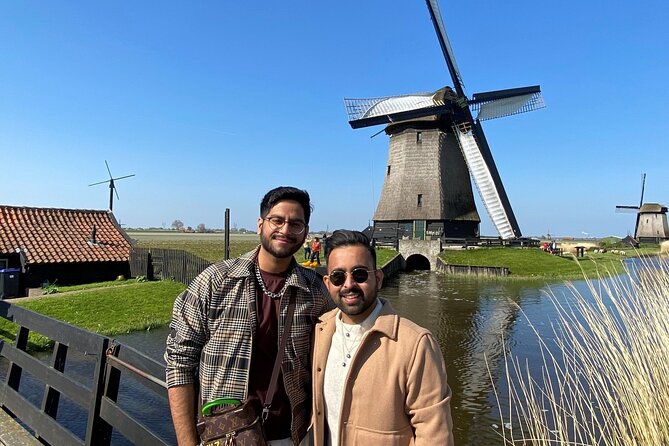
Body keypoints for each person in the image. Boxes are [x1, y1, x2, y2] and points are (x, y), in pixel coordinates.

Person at [165, 186, 335, 446]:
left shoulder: (316, 292)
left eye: (296, 224)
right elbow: (180, 363)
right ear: (260, 224)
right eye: (277, 220)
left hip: (288, 437)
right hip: (224, 435)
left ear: (305, 233)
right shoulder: (214, 282)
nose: (286, 230)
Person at [312, 230, 454, 445]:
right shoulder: (319, 331)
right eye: (338, 276)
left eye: (359, 274)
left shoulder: (415, 344)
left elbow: (434, 433)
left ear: (378, 278)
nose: (349, 284)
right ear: (328, 283)